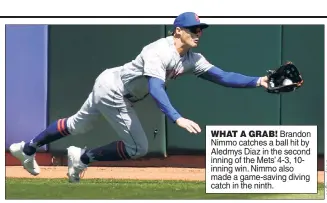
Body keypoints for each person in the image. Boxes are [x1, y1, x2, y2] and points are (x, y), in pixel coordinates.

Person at [9, 12, 269, 183]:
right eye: (193, 29)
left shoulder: (193, 59)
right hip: (114, 91)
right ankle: (83, 157)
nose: (198, 33)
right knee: (139, 148)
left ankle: (28, 148)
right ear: (177, 30)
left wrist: (260, 81)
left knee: (78, 125)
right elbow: (156, 88)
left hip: (111, 81)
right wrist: (176, 118)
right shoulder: (158, 50)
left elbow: (223, 76)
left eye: (200, 29)